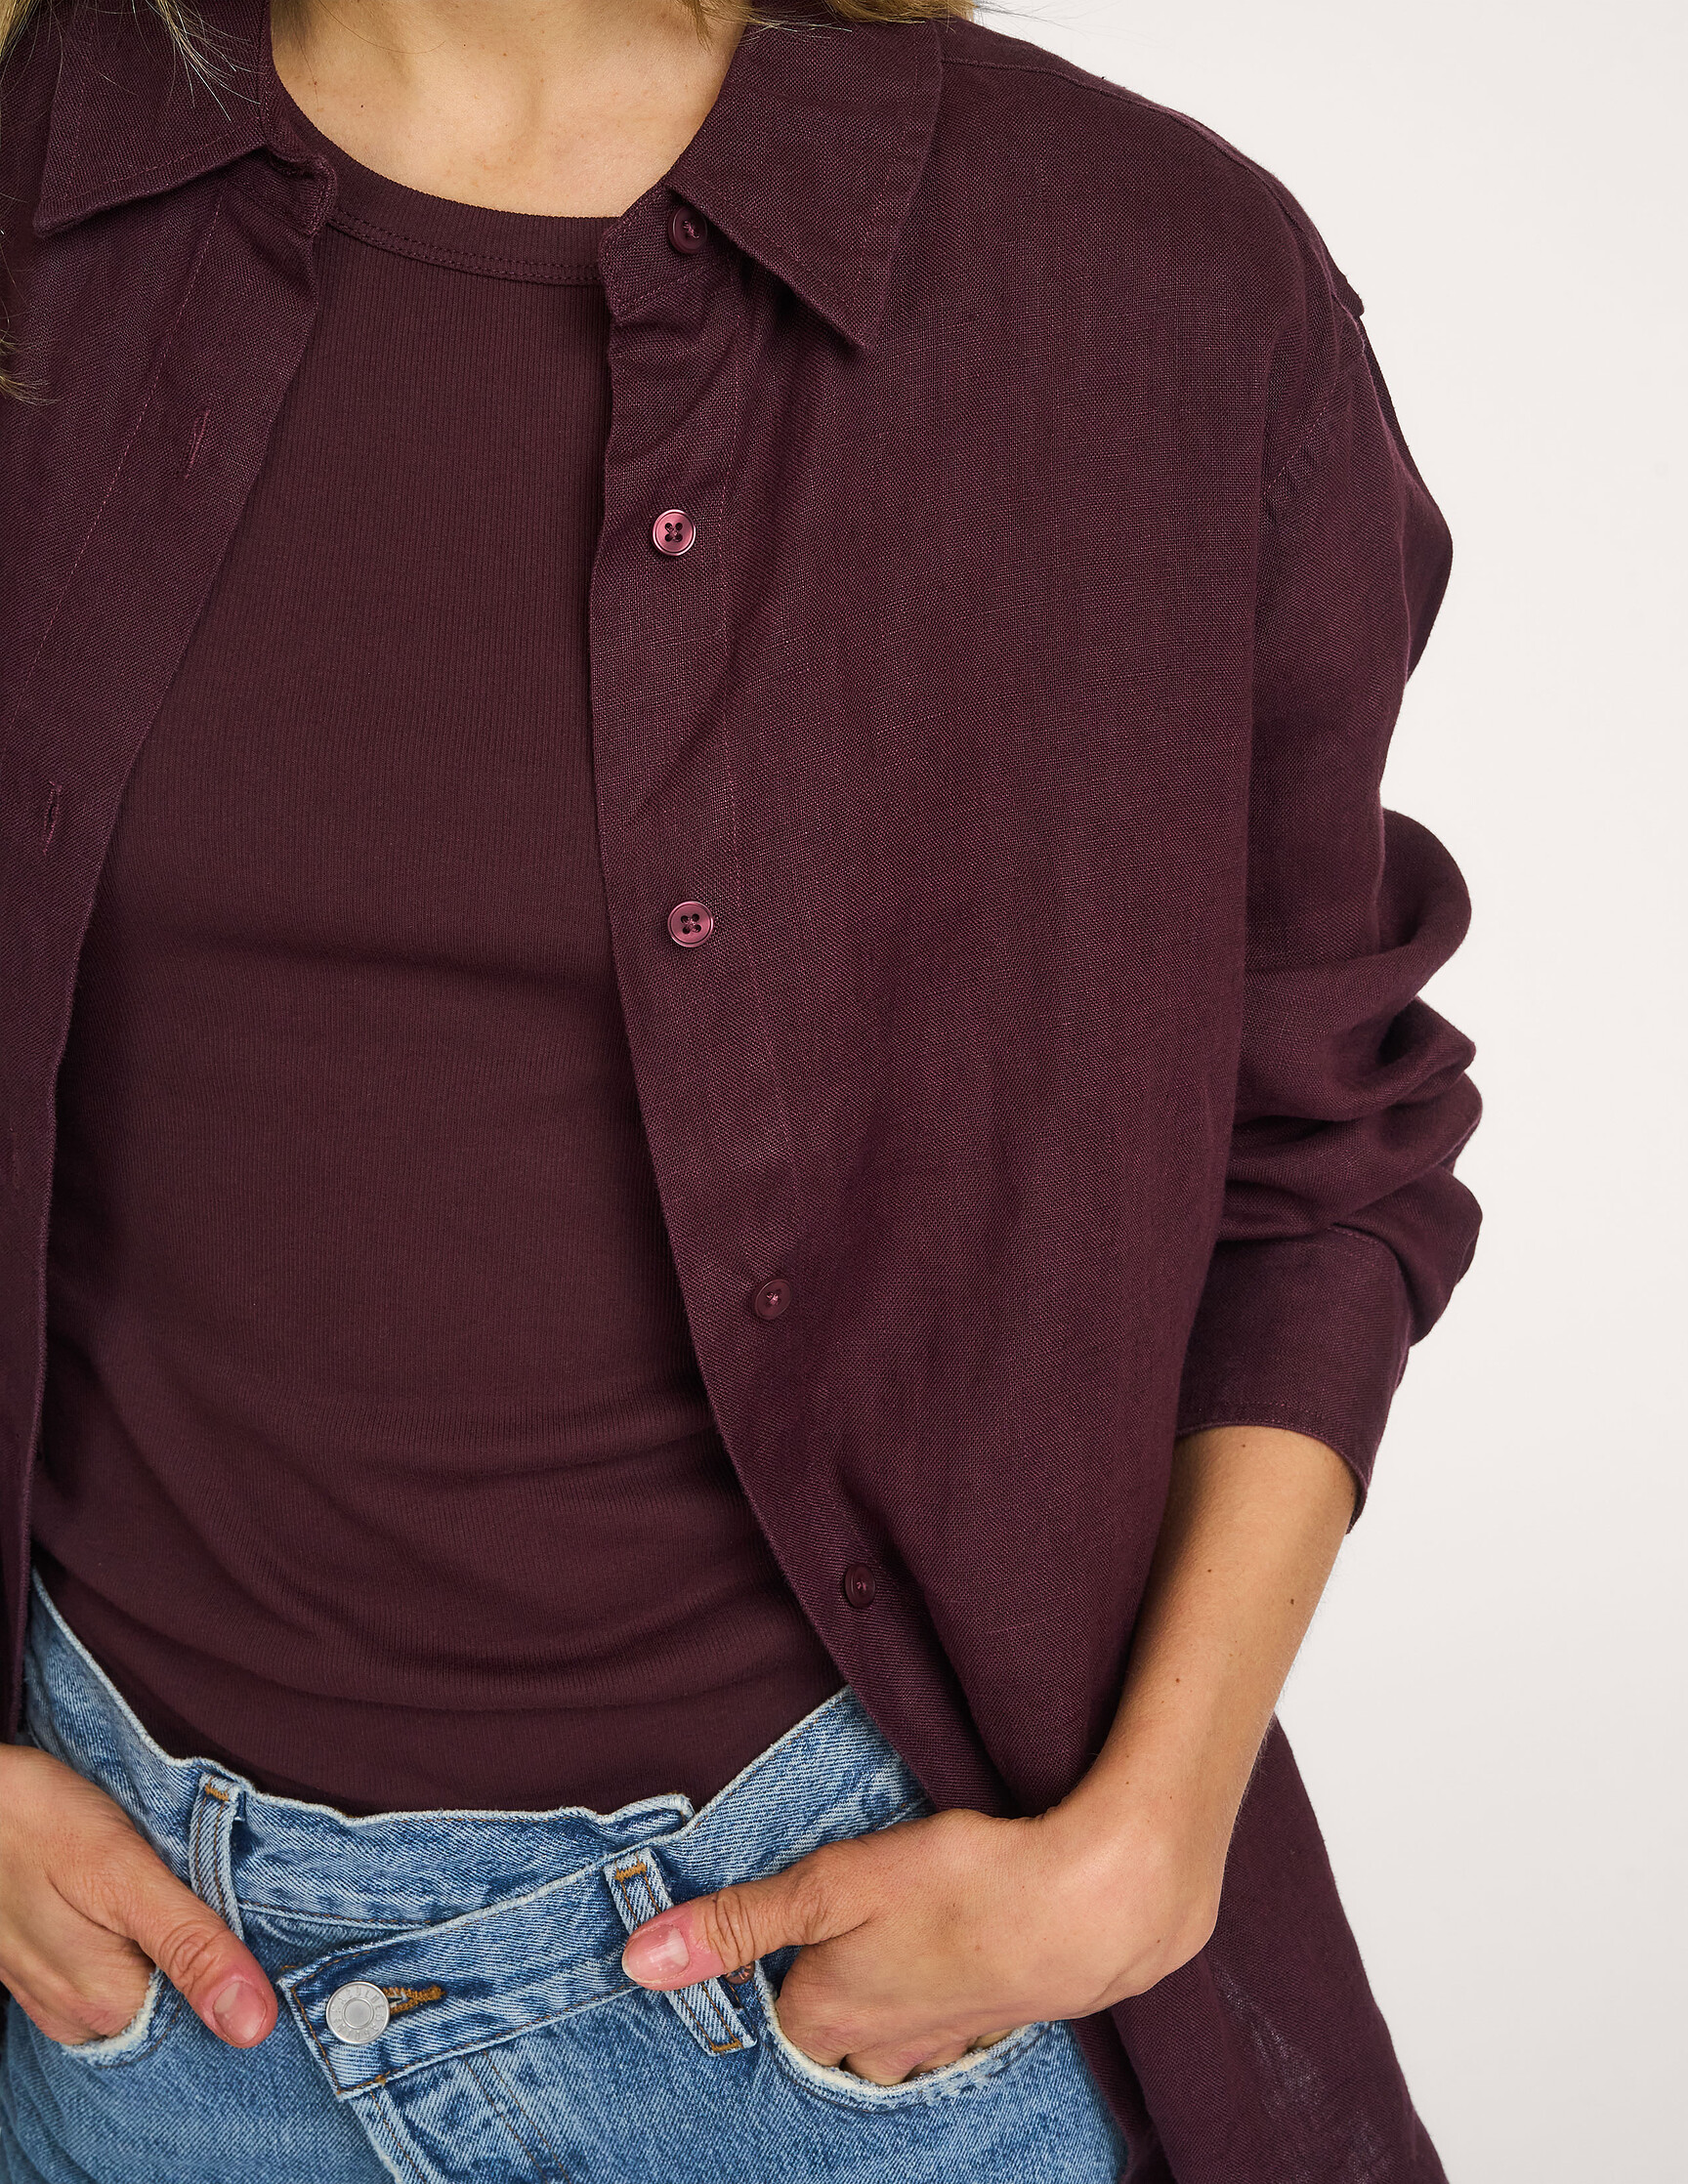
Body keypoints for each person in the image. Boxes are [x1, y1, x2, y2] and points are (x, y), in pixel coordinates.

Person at [0, 0, 1481, 2174]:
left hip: (871, 2019)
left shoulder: (1141, 279)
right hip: (126, 2013)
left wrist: (1149, 1839)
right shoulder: (35, 187)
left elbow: (1318, 1134)